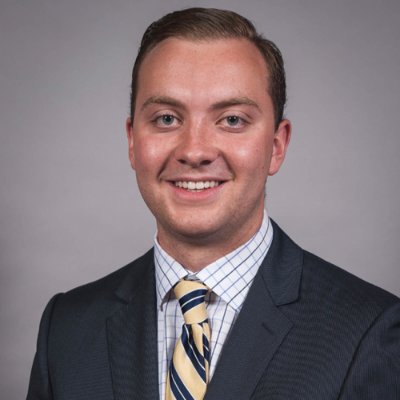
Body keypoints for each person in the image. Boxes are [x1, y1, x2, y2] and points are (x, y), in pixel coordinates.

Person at [27, 7, 400, 400]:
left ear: (277, 146)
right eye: (167, 118)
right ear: (133, 141)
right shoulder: (66, 330)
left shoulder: (369, 332)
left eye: (232, 120)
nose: (195, 151)